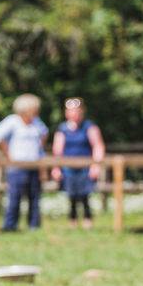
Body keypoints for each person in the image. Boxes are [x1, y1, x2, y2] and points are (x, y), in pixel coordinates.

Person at [0, 94, 49, 231]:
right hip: (17, 167)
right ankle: (10, 226)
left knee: (34, 197)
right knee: (14, 197)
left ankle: (34, 225)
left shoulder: (37, 122)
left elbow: (44, 134)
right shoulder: (13, 121)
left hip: (34, 164)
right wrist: (7, 153)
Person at [52, 97, 105, 229]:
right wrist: (56, 167)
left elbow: (98, 146)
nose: (73, 114)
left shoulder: (89, 127)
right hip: (68, 167)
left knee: (85, 194)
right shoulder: (63, 129)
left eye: (76, 111)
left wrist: (96, 165)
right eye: (70, 111)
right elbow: (57, 149)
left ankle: (88, 220)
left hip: (85, 167)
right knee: (71, 195)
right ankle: (72, 221)